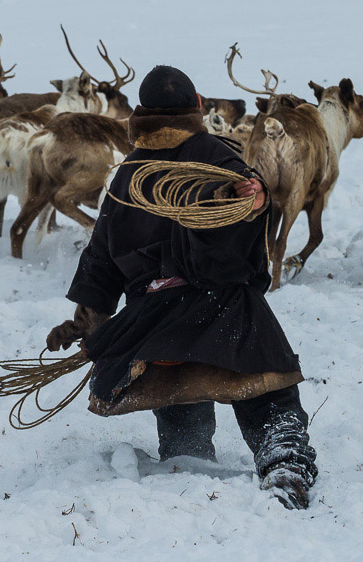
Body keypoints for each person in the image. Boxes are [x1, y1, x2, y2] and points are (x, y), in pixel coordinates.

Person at [45, 65, 318, 509]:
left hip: (155, 324)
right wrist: (257, 201)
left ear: (140, 115)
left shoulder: (126, 177)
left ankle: (186, 466)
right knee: (270, 394)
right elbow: (249, 218)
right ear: (196, 108)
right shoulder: (220, 157)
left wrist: (89, 323)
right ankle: (284, 462)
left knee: (176, 392)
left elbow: (100, 262)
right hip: (224, 308)